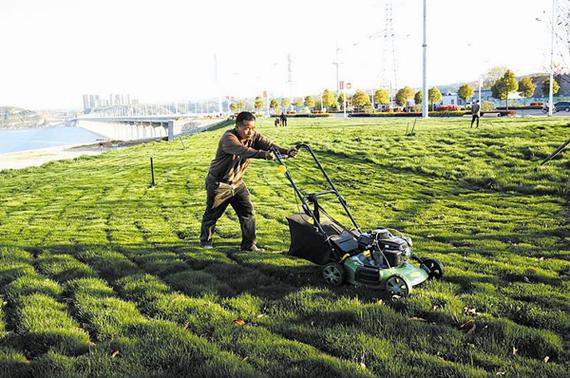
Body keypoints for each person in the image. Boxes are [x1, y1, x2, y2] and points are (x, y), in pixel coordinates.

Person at [200, 111, 298, 252]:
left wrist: (286, 151)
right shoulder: (228, 138)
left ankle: (249, 245)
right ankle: (206, 242)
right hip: (219, 183)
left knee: (247, 212)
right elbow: (243, 151)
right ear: (237, 126)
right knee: (212, 214)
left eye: (252, 128)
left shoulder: (254, 135)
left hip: (237, 182)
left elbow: (269, 144)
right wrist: (263, 155)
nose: (250, 131)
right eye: (247, 128)